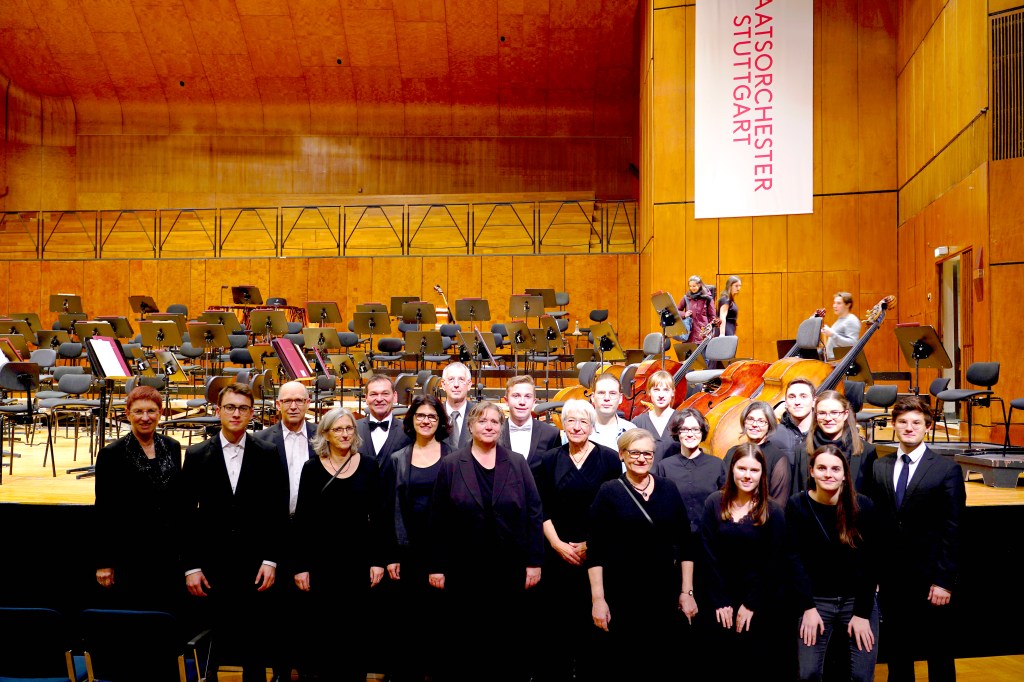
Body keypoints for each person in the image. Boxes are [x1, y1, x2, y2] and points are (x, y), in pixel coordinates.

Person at [428, 401, 544, 682]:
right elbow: (438, 518)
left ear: (501, 427)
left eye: (494, 421)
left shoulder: (516, 462)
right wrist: (437, 565)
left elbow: (534, 511)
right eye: (482, 421)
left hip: (509, 566)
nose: (489, 426)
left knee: (506, 636)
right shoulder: (452, 464)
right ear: (470, 426)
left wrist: (534, 561)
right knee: (467, 637)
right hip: (464, 567)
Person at [181, 383, 288, 682]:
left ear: (252, 413)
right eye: (230, 407)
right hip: (211, 564)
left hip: (255, 564)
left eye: (243, 408)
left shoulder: (267, 452)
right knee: (212, 642)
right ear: (218, 411)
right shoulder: (197, 454)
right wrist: (191, 566)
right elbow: (185, 515)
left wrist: (270, 560)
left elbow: (277, 511)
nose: (236, 413)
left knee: (255, 641)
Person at [868, 396, 965, 682]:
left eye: (916, 422)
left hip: (931, 578)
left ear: (928, 426)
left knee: (938, 651)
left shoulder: (946, 469)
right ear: (894, 425)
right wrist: (876, 574)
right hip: (892, 578)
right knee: (898, 651)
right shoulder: (880, 466)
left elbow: (954, 527)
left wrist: (944, 581)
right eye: (903, 422)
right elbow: (876, 525)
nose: (909, 428)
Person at [588, 429, 695, 681]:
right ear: (622, 455)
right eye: (634, 453)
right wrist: (598, 599)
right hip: (623, 594)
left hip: (664, 593)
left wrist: (687, 592)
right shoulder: (609, 491)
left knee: (663, 662)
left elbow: (685, 543)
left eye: (647, 453)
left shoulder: (668, 488)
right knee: (627, 663)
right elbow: (596, 551)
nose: (641, 458)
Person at [529, 398, 621, 682]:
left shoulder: (609, 458)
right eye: (571, 420)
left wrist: (590, 546)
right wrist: (557, 544)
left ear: (592, 426)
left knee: (593, 629)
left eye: (583, 421)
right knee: (556, 627)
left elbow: (614, 509)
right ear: (563, 424)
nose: (577, 426)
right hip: (556, 554)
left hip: (596, 554)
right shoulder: (548, 459)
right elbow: (540, 507)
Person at [293, 407, 386, 681]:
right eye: (338, 429)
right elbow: (303, 520)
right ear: (325, 434)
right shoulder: (312, 468)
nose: (345, 434)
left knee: (356, 630)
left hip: (358, 560)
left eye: (349, 428)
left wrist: (377, 560)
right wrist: (301, 565)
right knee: (324, 629)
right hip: (322, 562)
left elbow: (379, 516)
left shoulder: (369, 465)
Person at [788, 445, 880, 682]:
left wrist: (862, 613)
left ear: (844, 474)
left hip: (856, 600)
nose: (828, 474)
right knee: (808, 673)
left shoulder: (864, 506)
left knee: (861, 675)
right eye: (822, 468)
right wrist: (807, 608)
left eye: (835, 469)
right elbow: (794, 560)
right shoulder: (797, 505)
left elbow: (871, 564)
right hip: (816, 600)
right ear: (811, 471)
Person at [700, 443, 789, 670]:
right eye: (742, 468)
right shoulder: (714, 502)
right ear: (732, 469)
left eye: (754, 470)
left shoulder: (773, 511)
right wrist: (720, 601)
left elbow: (774, 562)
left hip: (758, 602)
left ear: (762, 474)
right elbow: (707, 554)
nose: (747, 475)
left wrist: (751, 603)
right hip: (719, 602)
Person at [381, 394, 451, 682]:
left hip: (443, 553)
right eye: (420, 415)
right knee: (407, 623)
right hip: (407, 552)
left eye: (432, 416)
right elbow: (389, 509)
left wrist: (443, 559)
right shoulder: (398, 458)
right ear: (411, 420)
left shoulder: (454, 456)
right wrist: (392, 554)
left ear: (440, 421)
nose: (426, 421)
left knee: (439, 624)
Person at [94, 385, 183, 612]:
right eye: (138, 411)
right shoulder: (111, 454)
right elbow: (104, 511)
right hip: (130, 552)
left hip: (167, 551)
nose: (145, 418)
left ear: (160, 413)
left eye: (151, 411)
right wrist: (104, 562)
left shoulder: (172, 447)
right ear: (127, 413)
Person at [651, 408, 724, 679]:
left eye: (695, 429)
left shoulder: (717, 465)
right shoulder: (664, 467)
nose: (690, 434)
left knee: (708, 614)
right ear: (677, 433)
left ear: (702, 432)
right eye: (684, 429)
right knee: (677, 616)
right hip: (675, 550)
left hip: (709, 550)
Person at [252, 380, 316, 681]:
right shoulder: (260, 439)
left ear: (308, 403)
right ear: (278, 405)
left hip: (311, 533)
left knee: (308, 606)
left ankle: (306, 667)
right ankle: (279, 670)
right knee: (276, 608)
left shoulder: (322, 436)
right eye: (287, 400)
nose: (293, 406)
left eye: (299, 400)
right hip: (275, 531)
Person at [805, 390, 877, 496]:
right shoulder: (801, 450)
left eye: (834, 413)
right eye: (822, 413)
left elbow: (870, 496)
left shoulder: (867, 451)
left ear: (845, 414)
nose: (828, 418)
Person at [723, 400, 791, 507]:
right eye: (750, 419)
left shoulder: (778, 458)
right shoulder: (732, 452)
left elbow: (778, 504)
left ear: (769, 426)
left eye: (761, 421)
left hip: (763, 515)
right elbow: (723, 490)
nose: (754, 425)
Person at [769, 377, 817, 495]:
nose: (797, 402)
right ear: (785, 403)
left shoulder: (822, 434)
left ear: (814, 401)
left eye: (803, 396)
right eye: (792, 397)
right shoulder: (772, 434)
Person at [498, 374, 561, 461]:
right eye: (516, 396)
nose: (522, 402)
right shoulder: (494, 431)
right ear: (506, 400)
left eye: (528, 396)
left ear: (534, 401)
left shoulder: (551, 434)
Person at [356, 373, 412, 466]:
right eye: (373, 394)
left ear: (395, 396)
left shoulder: (408, 430)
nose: (379, 399)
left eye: (385, 394)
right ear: (366, 398)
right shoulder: (354, 429)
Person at [630, 369, 676, 456]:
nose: (661, 395)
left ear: (673, 392)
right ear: (649, 392)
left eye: (666, 390)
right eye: (656, 390)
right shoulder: (638, 422)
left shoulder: (683, 420)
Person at [588, 371, 635, 451]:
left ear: (620, 398)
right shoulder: (578, 430)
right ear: (592, 397)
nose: (607, 398)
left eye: (612, 393)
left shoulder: (631, 431)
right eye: (601, 393)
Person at [441, 361, 477, 450]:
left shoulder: (478, 414)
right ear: (443, 385)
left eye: (461, 379)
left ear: (469, 385)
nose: (456, 385)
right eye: (451, 379)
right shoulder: (435, 414)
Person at [677, 275, 717, 344]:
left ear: (699, 285)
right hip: (689, 335)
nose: (692, 288)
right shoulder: (686, 297)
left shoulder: (707, 299)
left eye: (694, 286)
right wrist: (684, 314)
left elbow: (712, 317)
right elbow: (677, 311)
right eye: (690, 286)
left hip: (702, 335)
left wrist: (709, 332)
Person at [822, 292, 861, 360]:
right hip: (833, 361)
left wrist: (832, 334)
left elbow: (852, 343)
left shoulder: (851, 320)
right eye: (834, 303)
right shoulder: (840, 320)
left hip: (840, 362)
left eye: (839, 303)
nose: (834, 306)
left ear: (848, 305)